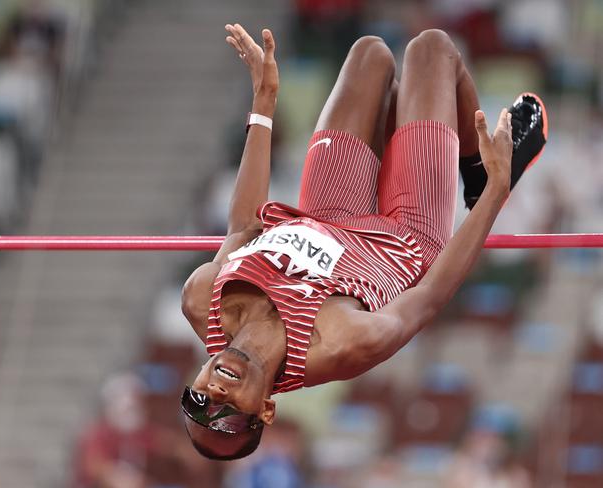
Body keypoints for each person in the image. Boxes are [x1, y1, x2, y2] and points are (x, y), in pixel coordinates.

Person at [180, 24, 548, 460]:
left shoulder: (203, 299)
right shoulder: (339, 343)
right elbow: (430, 296)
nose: (218, 393)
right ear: (266, 410)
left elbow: (243, 226)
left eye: (200, 403)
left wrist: (263, 103)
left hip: (326, 209)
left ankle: (419, 127)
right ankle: (478, 169)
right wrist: (495, 194)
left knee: (369, 54)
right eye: (229, 415)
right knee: (431, 50)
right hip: (403, 235)